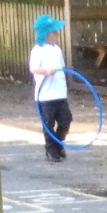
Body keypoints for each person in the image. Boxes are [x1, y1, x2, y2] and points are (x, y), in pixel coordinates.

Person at [29, 14, 71, 162]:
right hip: (46, 96)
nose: (57, 34)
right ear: (45, 34)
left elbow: (62, 67)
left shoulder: (57, 49)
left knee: (66, 119)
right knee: (48, 124)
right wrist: (46, 71)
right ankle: (51, 149)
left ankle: (58, 143)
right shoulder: (38, 50)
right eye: (54, 32)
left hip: (60, 93)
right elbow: (33, 68)